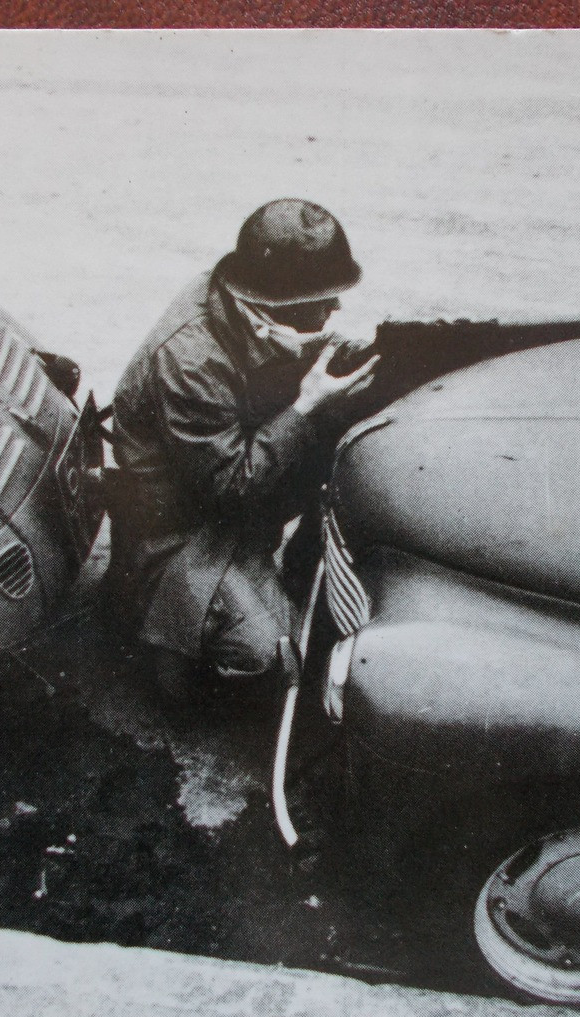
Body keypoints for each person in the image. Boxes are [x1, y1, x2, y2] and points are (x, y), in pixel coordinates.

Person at [107, 199, 378, 700]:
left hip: (222, 487)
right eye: (323, 299)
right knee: (272, 661)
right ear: (281, 306)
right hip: (180, 528)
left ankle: (277, 578)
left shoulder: (242, 299)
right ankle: (159, 635)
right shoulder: (190, 359)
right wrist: (305, 405)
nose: (335, 309)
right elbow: (230, 487)